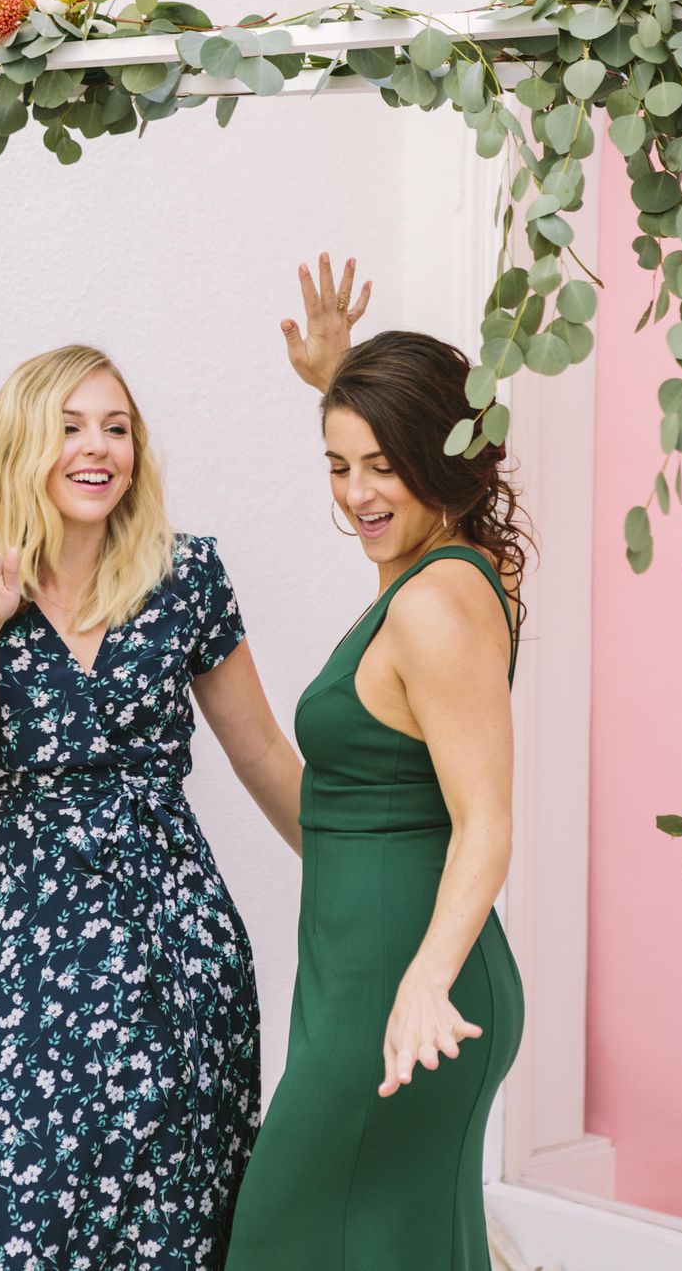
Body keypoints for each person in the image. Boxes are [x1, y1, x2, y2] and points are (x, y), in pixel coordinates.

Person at [0, 344, 303, 1271]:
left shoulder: (186, 577)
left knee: (165, 1220)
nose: (97, 447)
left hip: (177, 950)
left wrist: (362, 868)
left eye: (117, 427)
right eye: (70, 427)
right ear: (24, 444)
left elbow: (260, 750)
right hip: (34, 948)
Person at [224, 255, 529, 1271]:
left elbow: (485, 821)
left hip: (403, 992)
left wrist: (423, 984)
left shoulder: (436, 604)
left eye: (380, 464)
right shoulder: (434, 574)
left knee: (282, 1244)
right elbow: (342, 812)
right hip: (364, 981)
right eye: (335, 463)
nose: (354, 493)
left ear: (439, 459)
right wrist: (337, 376)